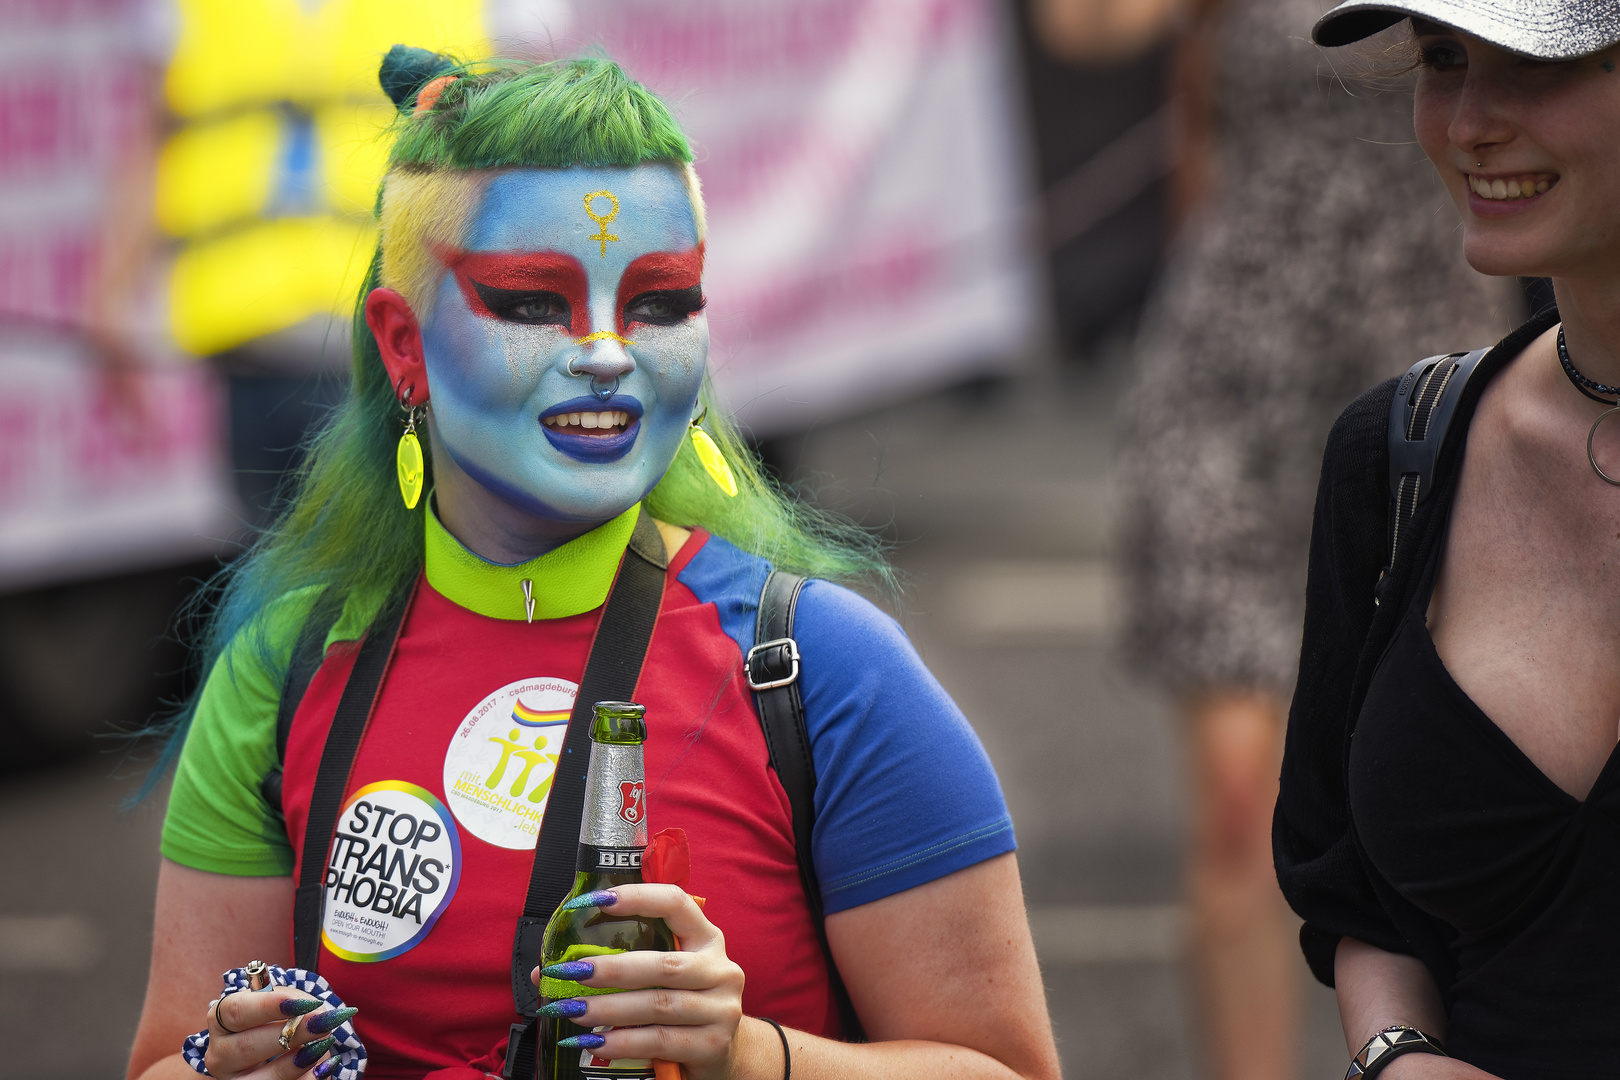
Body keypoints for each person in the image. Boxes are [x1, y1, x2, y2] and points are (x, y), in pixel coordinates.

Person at [125, 50, 1063, 1080]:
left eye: (660, 303)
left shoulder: (819, 666)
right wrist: (225, 1064)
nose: (609, 352)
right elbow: (169, 1057)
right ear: (403, 345)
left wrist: (753, 1057)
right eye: (534, 303)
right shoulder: (284, 665)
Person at [1034, 0, 1520, 1075]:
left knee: (1456, 803)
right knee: (1239, 811)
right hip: (1231, 394)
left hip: (1430, 395)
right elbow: (1088, 29)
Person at [1274, 2, 1620, 1077]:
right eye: (1444, 60)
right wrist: (1399, 1051)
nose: (1470, 120)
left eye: (1536, 65)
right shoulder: (1401, 454)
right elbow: (1356, 888)